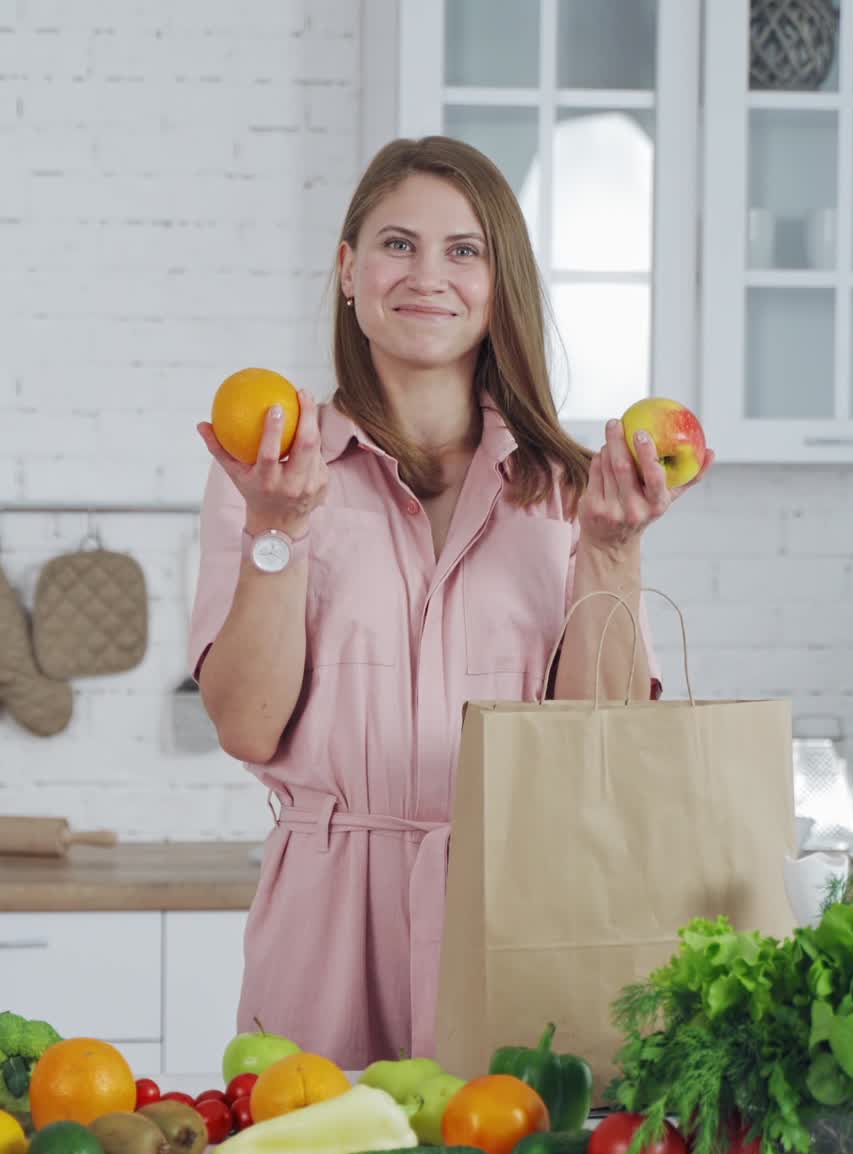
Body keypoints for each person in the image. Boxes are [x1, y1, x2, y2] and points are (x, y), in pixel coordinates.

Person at [187, 136, 712, 1069]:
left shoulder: (570, 490)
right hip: (327, 926)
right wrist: (278, 530)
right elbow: (248, 728)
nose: (428, 275)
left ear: (499, 283)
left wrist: (611, 548)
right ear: (349, 271)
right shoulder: (271, 472)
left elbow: (604, 747)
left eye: (463, 250)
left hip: (516, 912)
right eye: (398, 245)